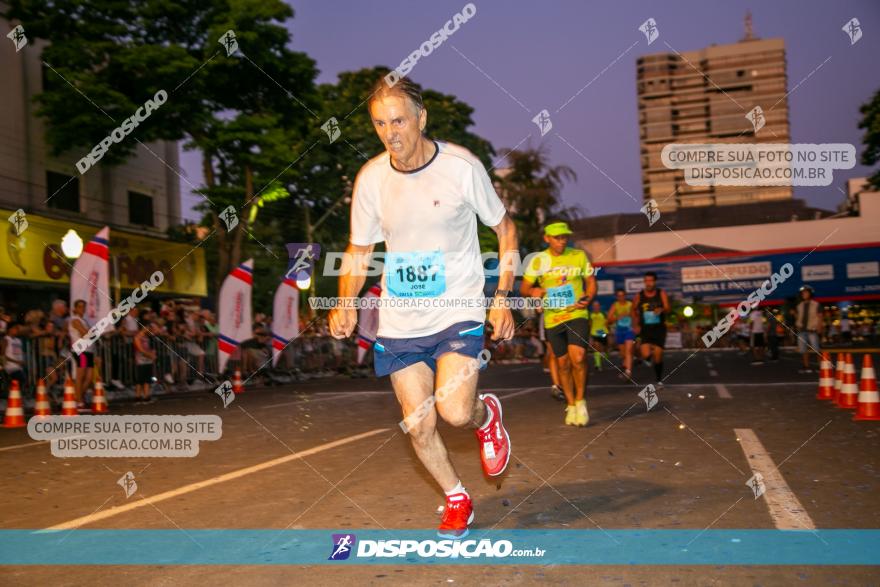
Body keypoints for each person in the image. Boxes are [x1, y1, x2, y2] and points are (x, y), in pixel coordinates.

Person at [328, 75, 516, 539]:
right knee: (418, 423)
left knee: (454, 412)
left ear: (421, 118)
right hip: (401, 316)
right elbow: (358, 249)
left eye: (398, 120)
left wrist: (502, 298)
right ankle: (456, 496)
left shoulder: (460, 167)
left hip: (457, 306)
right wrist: (345, 300)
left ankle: (485, 418)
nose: (390, 133)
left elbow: (506, 230)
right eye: (379, 123)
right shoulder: (371, 178)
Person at [522, 221, 597, 427]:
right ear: (547, 238)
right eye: (557, 237)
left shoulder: (578, 256)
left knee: (579, 357)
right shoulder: (538, 261)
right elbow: (525, 287)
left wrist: (588, 297)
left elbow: (590, 281)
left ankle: (581, 402)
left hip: (576, 313)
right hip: (553, 318)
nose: (562, 241)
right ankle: (571, 404)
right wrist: (534, 291)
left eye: (565, 237)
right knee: (562, 364)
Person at [632, 272, 670, 386]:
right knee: (645, 354)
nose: (649, 283)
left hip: (659, 329)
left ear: (655, 282)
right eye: (646, 281)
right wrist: (635, 325)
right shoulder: (639, 295)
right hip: (645, 329)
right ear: (644, 282)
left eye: (651, 281)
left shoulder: (660, 293)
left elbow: (668, 308)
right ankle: (645, 358)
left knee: (658, 355)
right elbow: (633, 309)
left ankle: (658, 379)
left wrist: (661, 309)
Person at [68, 299, 93, 412]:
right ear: (75, 308)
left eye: (83, 306)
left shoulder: (84, 321)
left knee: (89, 377)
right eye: (80, 306)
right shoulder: (75, 320)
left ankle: (78, 398)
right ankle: (78, 401)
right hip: (80, 351)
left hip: (89, 351)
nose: (82, 309)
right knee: (80, 376)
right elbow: (85, 334)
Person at [607, 288, 635, 379]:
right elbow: (609, 319)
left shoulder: (630, 305)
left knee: (629, 350)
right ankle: (626, 366)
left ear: (625, 296)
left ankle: (628, 372)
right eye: (619, 296)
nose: (621, 297)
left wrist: (635, 324)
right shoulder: (615, 305)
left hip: (629, 330)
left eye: (622, 295)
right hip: (619, 331)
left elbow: (636, 316)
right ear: (617, 297)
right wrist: (617, 317)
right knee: (623, 354)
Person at [795, 286, 823, 373]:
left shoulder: (816, 304)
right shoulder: (799, 305)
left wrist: (819, 327)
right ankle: (806, 366)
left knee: (816, 349)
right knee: (803, 350)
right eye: (803, 293)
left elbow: (820, 316)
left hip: (812, 329)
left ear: (810, 294)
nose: (804, 294)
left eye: (806, 292)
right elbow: (799, 318)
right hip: (802, 330)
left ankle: (821, 366)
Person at [133, 322, 158, 403]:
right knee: (140, 379)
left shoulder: (146, 337)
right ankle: (138, 396)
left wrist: (151, 354)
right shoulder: (137, 337)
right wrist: (150, 355)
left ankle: (145, 396)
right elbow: (140, 350)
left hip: (147, 360)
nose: (148, 329)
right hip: (141, 361)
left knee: (146, 379)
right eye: (147, 327)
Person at [1, 322, 26, 393]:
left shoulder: (18, 340)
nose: (17, 330)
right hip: (10, 366)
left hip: (19, 366)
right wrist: (15, 362)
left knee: (20, 381)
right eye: (15, 329)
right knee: (20, 379)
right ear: (10, 329)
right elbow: (3, 355)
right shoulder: (6, 339)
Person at [588, 300, 608, 371]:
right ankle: (598, 364)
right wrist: (590, 335)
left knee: (604, 348)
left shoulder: (603, 314)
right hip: (594, 333)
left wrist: (609, 331)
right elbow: (589, 325)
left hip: (603, 333)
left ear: (599, 307)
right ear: (592, 307)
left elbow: (607, 323)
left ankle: (606, 354)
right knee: (596, 347)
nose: (596, 307)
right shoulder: (590, 315)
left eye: (597, 306)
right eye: (594, 306)